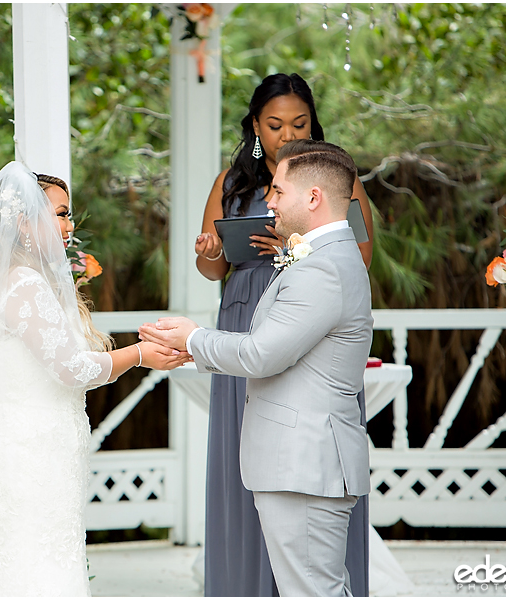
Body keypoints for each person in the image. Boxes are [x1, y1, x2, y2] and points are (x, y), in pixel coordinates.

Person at [0, 162, 190, 596]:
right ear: (23, 223)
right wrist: (138, 355)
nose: (69, 224)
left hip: (16, 447)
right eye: (58, 213)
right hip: (28, 454)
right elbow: (71, 368)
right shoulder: (23, 285)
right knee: (34, 575)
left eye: (68, 213)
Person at [141, 140, 373, 597]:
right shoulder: (322, 257)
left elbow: (261, 354)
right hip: (302, 462)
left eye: (278, 191)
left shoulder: (322, 268)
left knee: (313, 592)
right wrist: (198, 348)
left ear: (313, 198)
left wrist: (191, 337)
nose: (268, 200)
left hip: (304, 462)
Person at [193, 73, 373, 597]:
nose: (286, 134)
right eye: (274, 125)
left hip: (307, 323)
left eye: (299, 123)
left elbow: (355, 259)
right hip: (247, 308)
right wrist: (211, 254)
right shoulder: (232, 183)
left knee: (304, 453)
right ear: (255, 126)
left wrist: (293, 248)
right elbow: (214, 268)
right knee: (253, 450)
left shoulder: (333, 179)